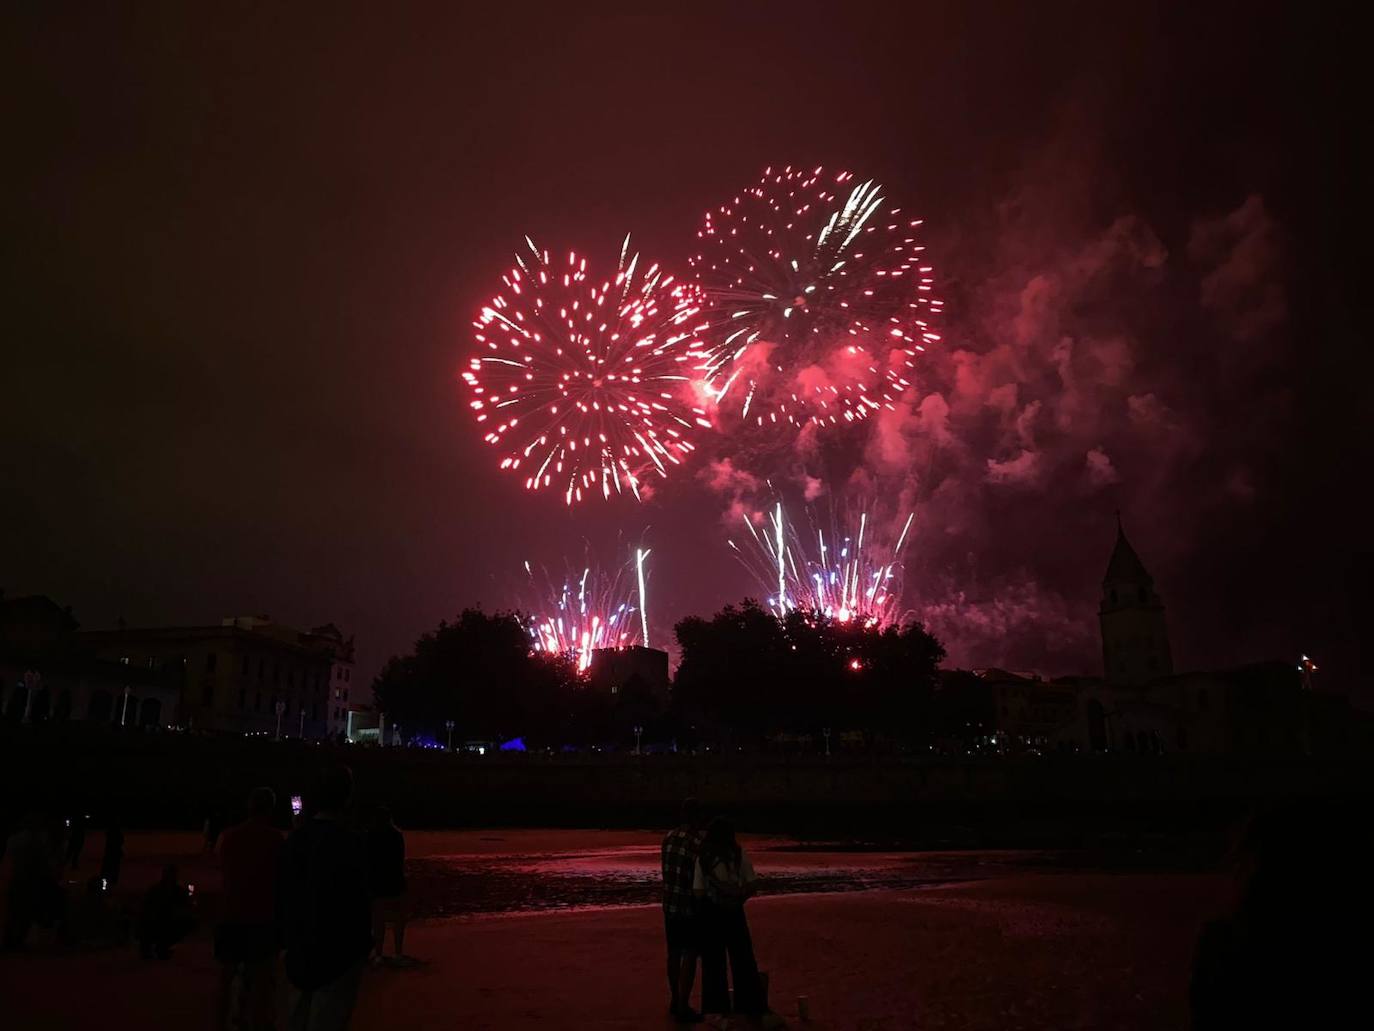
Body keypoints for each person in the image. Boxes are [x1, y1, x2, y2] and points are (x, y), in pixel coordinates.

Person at [279, 765, 373, 1031]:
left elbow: (284, 892)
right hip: (338, 953)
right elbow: (360, 900)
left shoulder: (296, 841)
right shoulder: (353, 842)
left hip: (299, 946)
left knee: (296, 1017)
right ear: (348, 797)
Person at [216, 787, 284, 1031]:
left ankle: (221, 1023)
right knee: (262, 983)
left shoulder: (229, 836)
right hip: (262, 918)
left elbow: (223, 870)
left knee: (226, 979)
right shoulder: (276, 839)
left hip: (231, 915)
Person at [694, 818, 764, 1020]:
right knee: (743, 959)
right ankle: (749, 1004)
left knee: (713, 963)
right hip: (735, 912)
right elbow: (752, 884)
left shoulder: (704, 858)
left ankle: (716, 1007)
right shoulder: (738, 854)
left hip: (711, 914)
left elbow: (698, 892)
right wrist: (738, 896)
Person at [661, 797, 706, 1024]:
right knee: (690, 954)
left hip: (669, 905)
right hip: (689, 907)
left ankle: (674, 999)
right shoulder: (697, 843)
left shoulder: (667, 838)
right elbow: (699, 880)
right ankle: (682, 1004)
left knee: (674, 953)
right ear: (697, 818)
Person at [2, 811, 68, 949]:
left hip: (20, 879)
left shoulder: (15, 840)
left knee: (17, 911)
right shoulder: (38, 841)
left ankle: (14, 939)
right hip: (30, 879)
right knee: (25, 910)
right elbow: (45, 862)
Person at [367, 807, 410, 966]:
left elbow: (368, 862)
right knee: (399, 920)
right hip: (396, 881)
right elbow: (400, 859)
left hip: (378, 884)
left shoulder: (370, 836)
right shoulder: (396, 836)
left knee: (378, 922)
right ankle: (398, 952)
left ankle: (378, 954)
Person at [137, 863, 196, 959]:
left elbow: (186, 906)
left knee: (187, 921)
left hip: (167, 921)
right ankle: (157, 946)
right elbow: (146, 909)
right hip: (156, 922)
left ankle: (162, 946)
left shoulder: (177, 891)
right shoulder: (156, 890)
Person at [99, 818, 125, 889]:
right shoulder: (115, 832)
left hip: (111, 853)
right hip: (113, 853)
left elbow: (120, 841)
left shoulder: (111, 832)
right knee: (112, 869)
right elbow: (120, 841)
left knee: (108, 870)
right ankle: (108, 884)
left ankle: (106, 884)